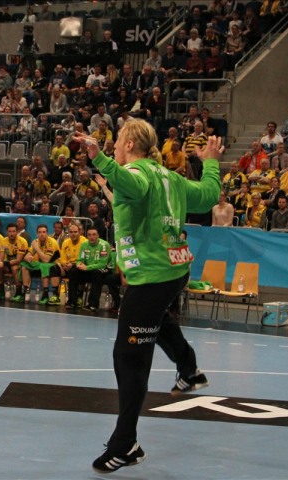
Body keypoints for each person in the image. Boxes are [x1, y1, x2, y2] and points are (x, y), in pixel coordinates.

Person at [74, 120, 222, 474]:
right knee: (153, 320)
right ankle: (189, 368)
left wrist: (99, 159)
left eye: (117, 142)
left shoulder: (136, 172)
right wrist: (211, 163)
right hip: (174, 270)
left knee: (129, 357)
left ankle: (125, 445)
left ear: (129, 144)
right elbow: (208, 195)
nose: (114, 146)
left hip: (153, 276)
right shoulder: (170, 177)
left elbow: (132, 184)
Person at [0, 223, 29, 300]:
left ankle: (18, 292)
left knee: (14, 268)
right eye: (10, 231)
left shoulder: (22, 242)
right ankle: (1, 291)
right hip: (9, 263)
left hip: (22, 264)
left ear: (17, 232)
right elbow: (1, 256)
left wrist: (4, 263)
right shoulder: (3, 241)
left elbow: (18, 260)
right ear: (7, 232)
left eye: (13, 231)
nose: (12, 233)